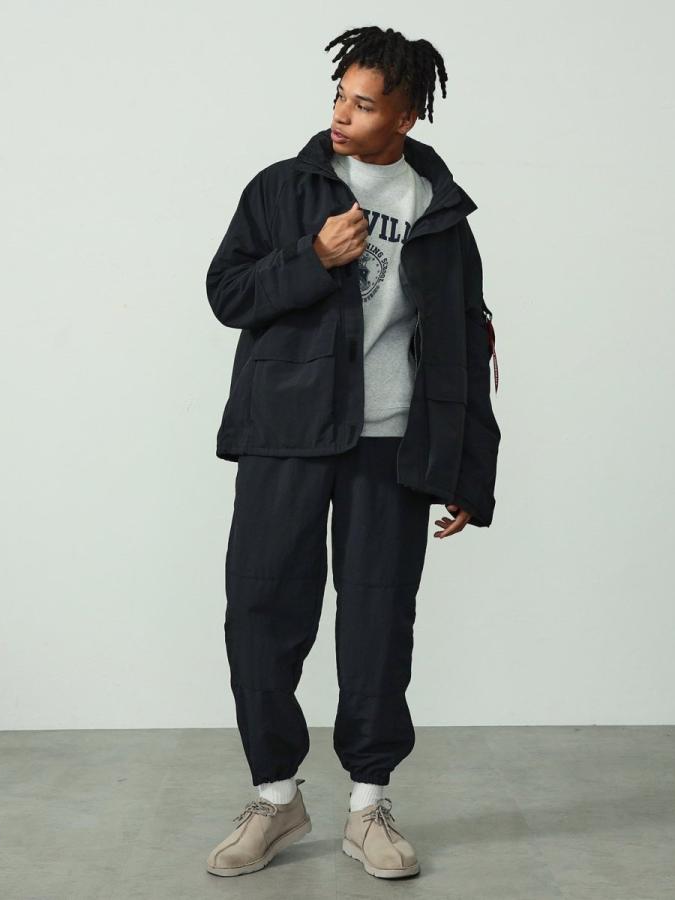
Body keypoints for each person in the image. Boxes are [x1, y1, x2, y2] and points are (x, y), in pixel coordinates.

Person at [204, 25, 501, 880]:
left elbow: (466, 342)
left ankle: (368, 807)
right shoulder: (281, 189)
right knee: (261, 612)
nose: (341, 114)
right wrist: (311, 258)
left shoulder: (441, 212)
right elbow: (227, 293)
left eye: (364, 104)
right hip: (286, 434)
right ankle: (275, 797)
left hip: (391, 447)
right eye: (339, 96)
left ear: (405, 116)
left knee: (378, 624)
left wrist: (470, 470)